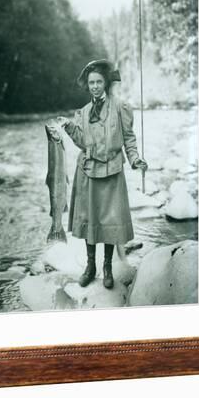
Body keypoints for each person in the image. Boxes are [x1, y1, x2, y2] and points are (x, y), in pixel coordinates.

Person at [58, 59, 147, 290]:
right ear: (88, 86)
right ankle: (90, 266)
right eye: (91, 83)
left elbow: (129, 138)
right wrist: (69, 127)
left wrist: (135, 158)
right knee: (90, 219)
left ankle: (107, 266)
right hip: (87, 171)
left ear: (105, 84)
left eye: (98, 82)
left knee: (110, 221)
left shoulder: (120, 107)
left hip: (112, 171)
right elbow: (81, 141)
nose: (95, 86)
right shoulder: (84, 112)